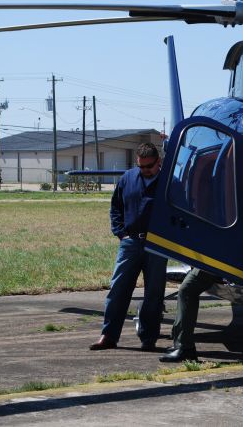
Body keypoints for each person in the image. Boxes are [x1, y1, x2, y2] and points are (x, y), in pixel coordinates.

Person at [90, 142, 167, 352]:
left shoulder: (170, 182)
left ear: (158, 162)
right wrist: (121, 233)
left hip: (158, 245)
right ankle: (108, 335)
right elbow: (115, 207)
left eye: (149, 167)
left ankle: (149, 339)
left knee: (154, 293)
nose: (145, 171)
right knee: (118, 289)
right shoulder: (127, 178)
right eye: (141, 167)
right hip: (130, 242)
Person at [159, 268, 220, 362]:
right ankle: (183, 346)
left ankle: (185, 348)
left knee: (188, 289)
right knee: (187, 289)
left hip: (217, 261)